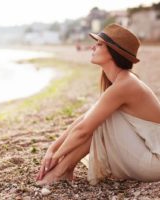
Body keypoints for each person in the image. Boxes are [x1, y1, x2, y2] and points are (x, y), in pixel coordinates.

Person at [36, 23, 160, 186]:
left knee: (101, 120)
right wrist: (52, 148)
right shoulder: (122, 82)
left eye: (100, 44)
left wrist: (55, 157)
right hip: (147, 153)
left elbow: (83, 130)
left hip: (154, 161)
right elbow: (84, 119)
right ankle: (63, 170)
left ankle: (61, 171)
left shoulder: (125, 85)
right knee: (97, 117)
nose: (93, 47)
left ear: (113, 52)